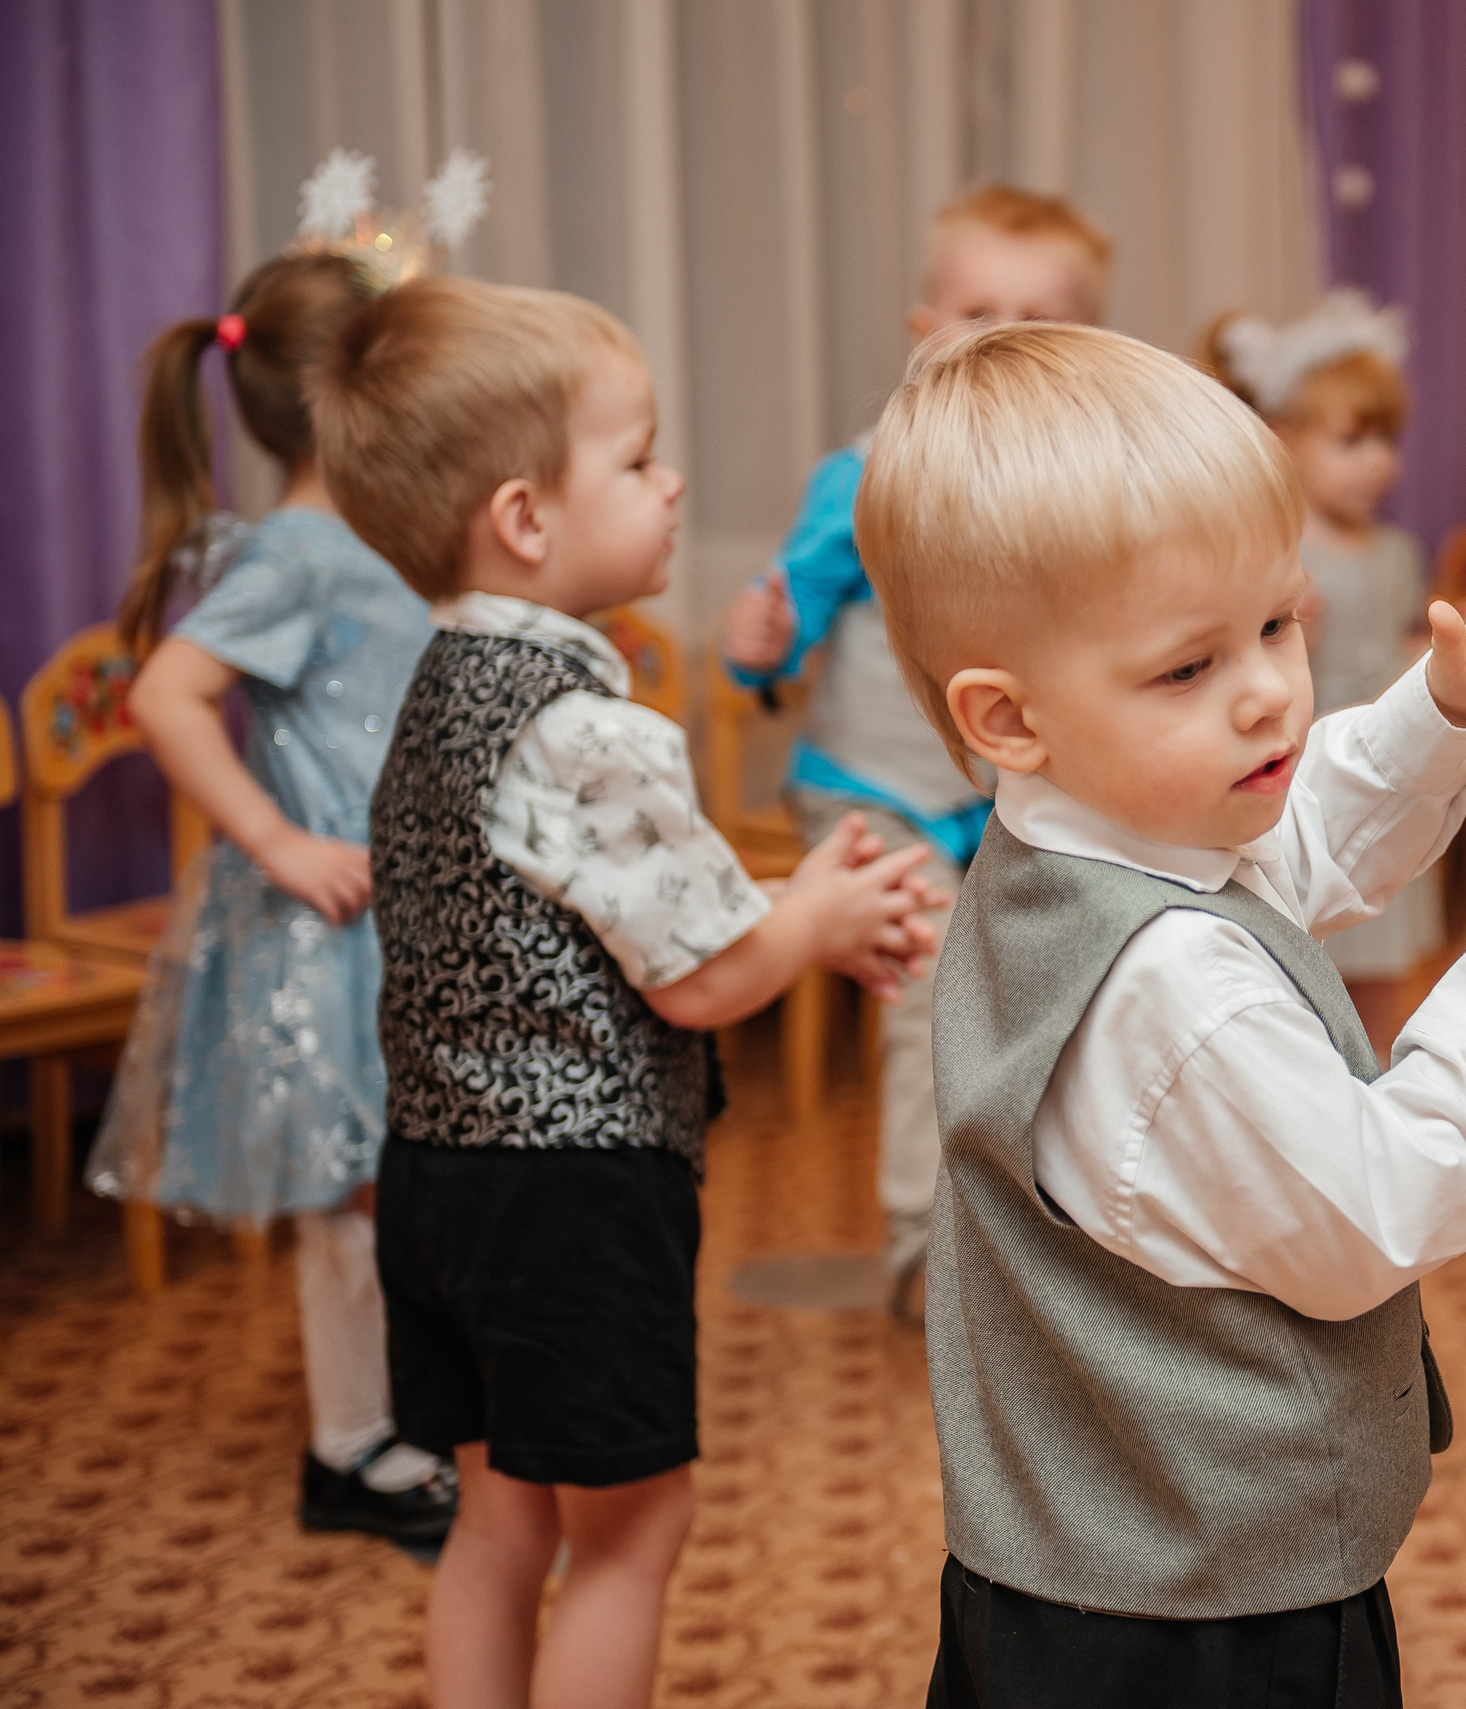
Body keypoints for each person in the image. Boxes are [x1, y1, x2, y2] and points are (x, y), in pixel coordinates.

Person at [857, 320, 1466, 1707]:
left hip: (1084, 1571)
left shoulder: (1082, 844)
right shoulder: (1168, 986)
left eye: (1276, 623)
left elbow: (1305, 835)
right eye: (1189, 668)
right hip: (1198, 1627)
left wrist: (1452, 702)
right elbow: (1364, 1217)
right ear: (1009, 718)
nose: (1267, 690)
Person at [309, 274, 946, 1709]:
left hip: (436, 1178)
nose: (672, 485)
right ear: (527, 518)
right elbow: (710, 978)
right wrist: (820, 909)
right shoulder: (592, 725)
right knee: (632, 1529)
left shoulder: (441, 688)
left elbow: (592, 930)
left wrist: (805, 923)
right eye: (642, 457)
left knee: (497, 1521)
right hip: (571, 1193)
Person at [88, 248, 457, 1545]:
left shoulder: (356, 539)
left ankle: (399, 1421)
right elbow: (165, 695)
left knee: (389, 1189)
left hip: (393, 918)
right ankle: (351, 1447)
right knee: (351, 1198)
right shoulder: (298, 553)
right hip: (333, 929)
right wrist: (276, 840)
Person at [719, 184, 1113, 1317]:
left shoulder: (1087, 475)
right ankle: (917, 1245)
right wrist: (756, 642)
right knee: (928, 996)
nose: (997, 332)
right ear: (922, 330)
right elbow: (785, 607)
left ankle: (1041, 1228)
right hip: (877, 785)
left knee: (1052, 996)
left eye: (1034, 315)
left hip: (1021, 790)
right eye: (974, 307)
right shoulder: (867, 469)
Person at [1206, 291, 1438, 1049]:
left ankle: (1369, 1075)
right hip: (1309, 768)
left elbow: (1401, 641)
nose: (1379, 461)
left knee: (1385, 937)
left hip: (1389, 765)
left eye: (1388, 439)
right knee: (1314, 946)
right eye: (1352, 440)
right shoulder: (1279, 553)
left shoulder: (1397, 551)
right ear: (1284, 437)